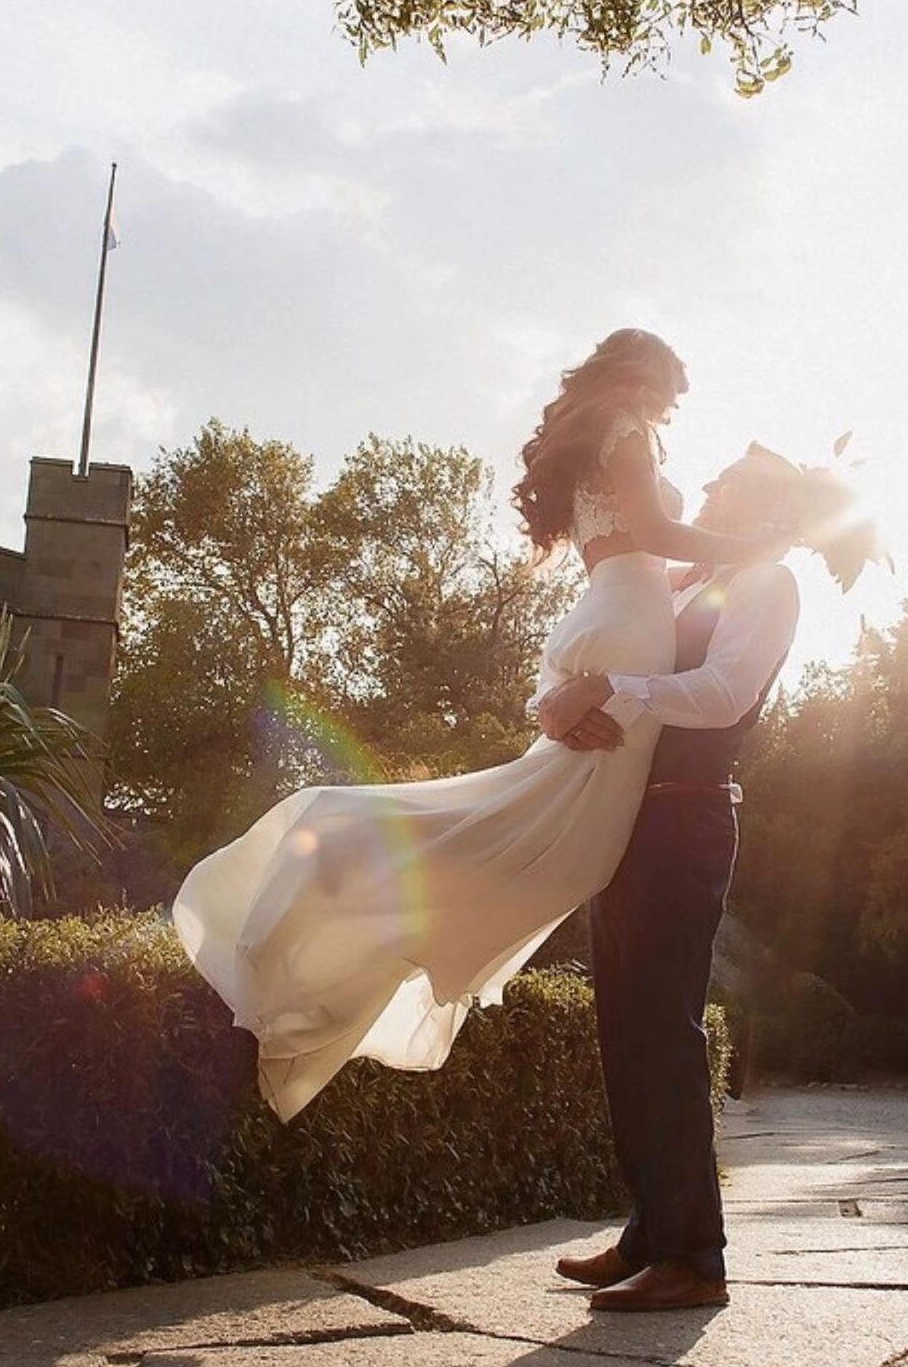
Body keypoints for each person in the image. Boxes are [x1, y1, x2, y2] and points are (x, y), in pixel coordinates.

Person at [172, 329, 783, 1121]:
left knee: (539, 819)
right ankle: (351, 865)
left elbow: (649, 559)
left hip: (607, 616)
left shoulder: (601, 432)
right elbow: (659, 537)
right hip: (626, 624)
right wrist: (752, 543)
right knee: (554, 839)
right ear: (644, 374)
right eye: (672, 387)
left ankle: (358, 886)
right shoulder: (628, 429)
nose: (674, 406)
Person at [534, 444, 861, 1312]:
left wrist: (614, 687)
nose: (704, 492)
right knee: (621, 1028)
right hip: (622, 815)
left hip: (685, 818)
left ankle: (695, 1259)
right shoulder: (679, 584)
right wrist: (571, 704)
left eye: (723, 486)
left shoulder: (767, 584)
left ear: (763, 510)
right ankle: (648, 1232)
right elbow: (596, 662)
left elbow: (721, 695)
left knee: (663, 1027)